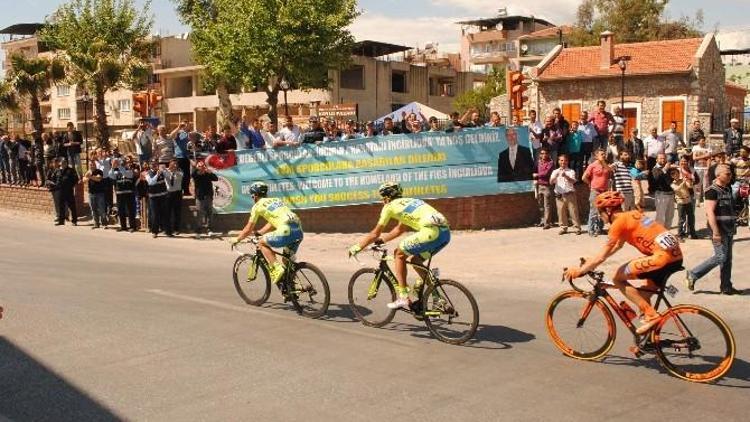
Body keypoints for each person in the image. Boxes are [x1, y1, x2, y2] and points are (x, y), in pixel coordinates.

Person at [564, 191, 684, 334]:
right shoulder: (632, 214)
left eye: (600, 212)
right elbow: (616, 246)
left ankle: (651, 316)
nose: (600, 216)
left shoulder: (618, 224)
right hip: (674, 257)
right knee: (642, 297)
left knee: (618, 278)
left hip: (661, 259)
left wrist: (580, 271)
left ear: (608, 210)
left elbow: (602, 256)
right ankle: (650, 340)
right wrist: (590, 261)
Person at [348, 182, 450, 310]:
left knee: (399, 254)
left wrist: (358, 247)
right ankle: (437, 299)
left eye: (382, 198)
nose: (382, 201)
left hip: (430, 233)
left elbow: (374, 233)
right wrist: (382, 240)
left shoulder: (389, 207)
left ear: (387, 197)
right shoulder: (410, 202)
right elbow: (399, 230)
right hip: (444, 235)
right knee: (415, 260)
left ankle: (403, 297)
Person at [685, 164, 741, 295]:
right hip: (719, 230)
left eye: (730, 173)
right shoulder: (712, 191)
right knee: (720, 256)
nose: (730, 175)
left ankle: (726, 286)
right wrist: (715, 232)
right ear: (718, 175)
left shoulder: (727, 189)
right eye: (727, 174)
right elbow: (710, 212)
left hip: (728, 229)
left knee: (727, 259)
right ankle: (693, 274)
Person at [232, 182, 304, 284]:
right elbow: (272, 222)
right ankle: (293, 287)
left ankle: (276, 268)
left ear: (255, 195)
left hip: (286, 230)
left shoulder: (257, 206)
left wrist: (237, 239)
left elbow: (248, 229)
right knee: (286, 261)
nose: (252, 198)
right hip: (298, 230)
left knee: (261, 243)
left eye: (252, 196)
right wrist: (260, 232)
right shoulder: (276, 200)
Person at [550, 154, 582, 235]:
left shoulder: (571, 171)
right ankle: (563, 228)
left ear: (567, 161)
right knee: (561, 212)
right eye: (561, 160)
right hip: (559, 195)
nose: (563, 162)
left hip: (570, 194)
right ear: (558, 161)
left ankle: (577, 228)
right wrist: (555, 177)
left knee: (573, 212)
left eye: (565, 160)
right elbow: (551, 182)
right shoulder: (555, 171)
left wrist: (566, 176)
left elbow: (574, 181)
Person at [582, 149, 611, 236]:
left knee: (603, 210)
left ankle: (599, 228)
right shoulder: (592, 166)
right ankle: (591, 229)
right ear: (596, 156)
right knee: (594, 210)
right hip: (595, 191)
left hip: (604, 191)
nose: (603, 155)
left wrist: (603, 162)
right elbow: (584, 178)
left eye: (604, 154)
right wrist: (590, 184)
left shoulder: (605, 165)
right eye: (601, 154)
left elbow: (609, 171)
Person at [48, 158, 79, 226]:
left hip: (68, 191)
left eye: (64, 162)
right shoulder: (57, 170)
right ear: (60, 163)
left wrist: (71, 186)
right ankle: (61, 221)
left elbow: (76, 179)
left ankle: (74, 221)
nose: (63, 164)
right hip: (60, 191)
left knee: (72, 206)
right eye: (62, 163)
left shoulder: (71, 170)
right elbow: (53, 179)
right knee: (61, 206)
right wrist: (52, 184)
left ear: (66, 163)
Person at [192, 160, 218, 238]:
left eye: (203, 166)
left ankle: (209, 229)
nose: (202, 168)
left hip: (209, 197)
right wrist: (197, 168)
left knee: (210, 214)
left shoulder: (207, 174)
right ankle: (198, 230)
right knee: (199, 214)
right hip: (200, 197)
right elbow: (193, 174)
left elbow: (216, 178)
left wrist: (210, 172)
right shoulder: (196, 175)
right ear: (197, 167)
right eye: (200, 166)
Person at [110, 158, 137, 232]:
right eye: (121, 163)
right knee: (121, 210)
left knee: (130, 210)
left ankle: (133, 227)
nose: (121, 165)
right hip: (120, 193)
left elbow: (125, 173)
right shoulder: (116, 171)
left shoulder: (129, 171)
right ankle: (123, 226)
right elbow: (110, 175)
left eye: (123, 164)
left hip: (129, 193)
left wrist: (119, 166)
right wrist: (112, 166)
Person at [670, 167, 697, 241]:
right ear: (672, 176)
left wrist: (689, 180)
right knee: (681, 219)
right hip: (681, 203)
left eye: (678, 174)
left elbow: (690, 186)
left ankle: (692, 233)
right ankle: (680, 235)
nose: (677, 175)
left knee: (691, 218)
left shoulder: (683, 180)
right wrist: (683, 182)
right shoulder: (672, 183)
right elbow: (677, 189)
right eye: (675, 174)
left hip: (688, 201)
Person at [145, 161, 171, 238]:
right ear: (150, 165)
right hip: (153, 197)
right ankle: (154, 231)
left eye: (155, 164)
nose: (154, 166)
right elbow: (151, 182)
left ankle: (167, 231)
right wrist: (157, 175)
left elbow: (169, 176)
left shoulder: (161, 172)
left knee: (165, 214)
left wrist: (165, 170)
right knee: (155, 215)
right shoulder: (148, 173)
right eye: (152, 164)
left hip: (163, 196)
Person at [651, 153, 675, 228]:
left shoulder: (668, 168)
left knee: (670, 216)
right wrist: (665, 169)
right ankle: (658, 234)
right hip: (661, 195)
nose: (663, 160)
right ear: (657, 160)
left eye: (664, 158)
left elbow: (672, 180)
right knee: (660, 217)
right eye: (661, 158)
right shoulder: (655, 169)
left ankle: (666, 233)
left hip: (671, 195)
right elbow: (657, 179)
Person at [533, 148, 554, 229]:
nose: (543, 155)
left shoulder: (550, 163)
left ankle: (547, 223)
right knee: (540, 205)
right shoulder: (539, 163)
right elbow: (534, 172)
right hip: (539, 186)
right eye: (542, 153)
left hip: (547, 186)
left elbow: (546, 173)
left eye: (545, 153)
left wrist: (537, 175)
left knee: (547, 205)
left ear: (548, 154)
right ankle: (542, 221)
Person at [170, 120, 192, 195]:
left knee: (187, 175)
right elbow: (171, 136)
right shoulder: (179, 133)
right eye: (185, 124)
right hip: (179, 157)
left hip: (187, 157)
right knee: (179, 175)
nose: (187, 125)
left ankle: (186, 190)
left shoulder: (190, 133)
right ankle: (179, 191)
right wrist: (179, 127)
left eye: (188, 124)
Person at [83, 160, 107, 228]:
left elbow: (98, 179)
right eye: (90, 164)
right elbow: (84, 180)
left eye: (93, 164)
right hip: (91, 193)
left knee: (102, 209)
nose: (92, 166)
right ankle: (96, 223)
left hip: (100, 193)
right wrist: (87, 177)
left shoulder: (99, 171)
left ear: (95, 165)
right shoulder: (88, 172)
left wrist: (90, 176)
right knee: (93, 209)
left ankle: (104, 223)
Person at [164, 159, 184, 235]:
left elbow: (180, 176)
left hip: (177, 193)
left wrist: (174, 170)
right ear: (169, 164)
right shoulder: (166, 171)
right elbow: (162, 174)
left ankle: (176, 229)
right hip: (168, 193)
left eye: (176, 164)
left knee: (177, 212)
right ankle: (167, 230)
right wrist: (168, 170)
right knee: (167, 212)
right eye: (173, 164)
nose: (174, 165)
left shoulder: (180, 171)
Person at [692, 136, 711, 204]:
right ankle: (697, 199)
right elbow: (694, 158)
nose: (703, 142)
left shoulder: (708, 147)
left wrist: (708, 169)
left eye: (704, 140)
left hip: (705, 168)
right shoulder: (695, 147)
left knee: (706, 184)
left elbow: (709, 158)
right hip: (697, 168)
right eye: (702, 140)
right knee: (697, 184)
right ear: (698, 141)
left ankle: (705, 199)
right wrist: (705, 155)